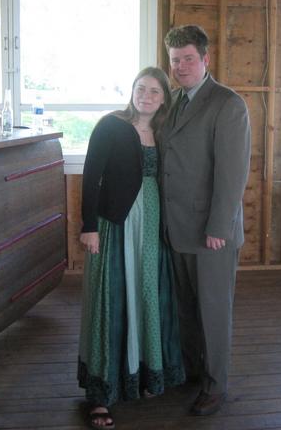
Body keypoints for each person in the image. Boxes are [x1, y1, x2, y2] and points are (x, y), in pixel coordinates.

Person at [77, 67, 185, 430]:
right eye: (141, 89)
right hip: (115, 224)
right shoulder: (111, 125)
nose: (146, 96)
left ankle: (141, 374)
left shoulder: (164, 132)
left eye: (155, 91)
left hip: (152, 225)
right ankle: (100, 394)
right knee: (111, 302)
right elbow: (91, 175)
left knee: (147, 296)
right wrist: (89, 226)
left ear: (164, 98)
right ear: (132, 91)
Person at [160, 25, 251, 416]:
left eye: (188, 59)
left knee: (213, 312)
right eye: (175, 60)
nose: (181, 66)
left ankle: (215, 386)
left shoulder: (227, 104)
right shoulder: (173, 100)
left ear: (205, 59)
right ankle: (193, 371)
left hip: (210, 232)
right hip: (175, 226)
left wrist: (219, 227)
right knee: (185, 309)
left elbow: (232, 174)